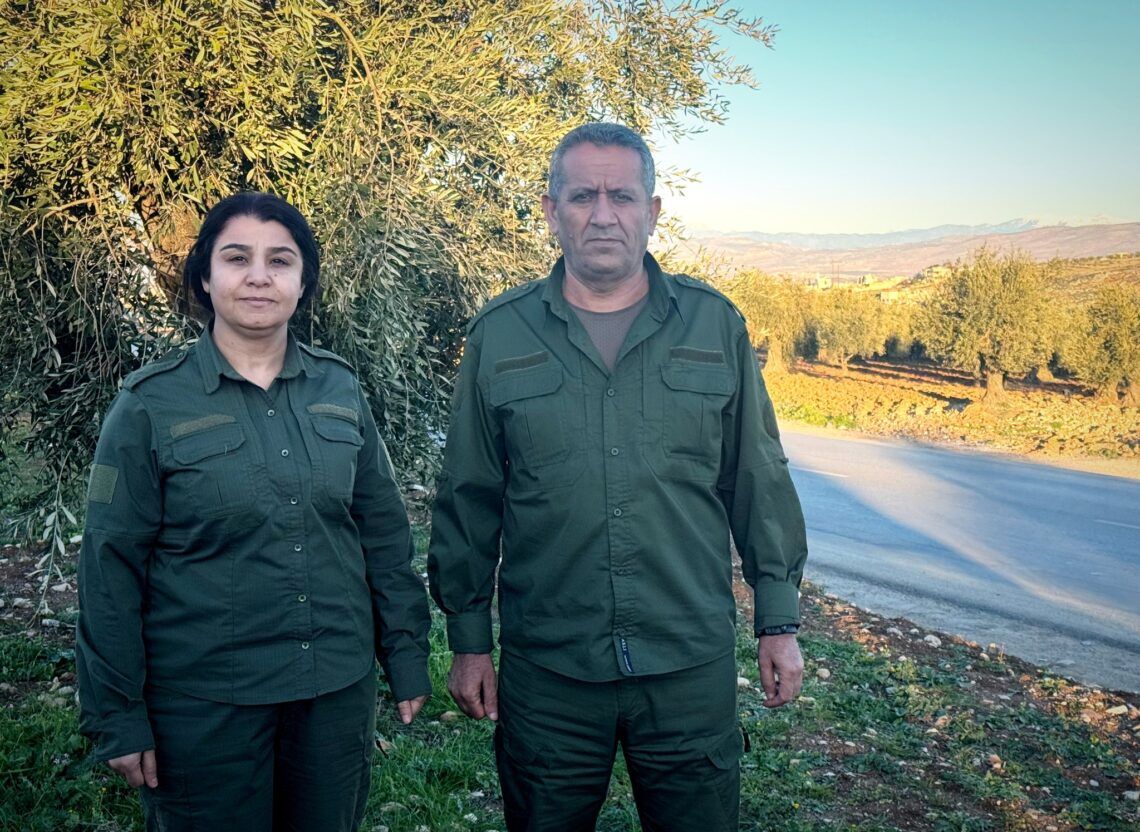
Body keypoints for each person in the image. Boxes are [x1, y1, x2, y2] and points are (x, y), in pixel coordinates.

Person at [428, 122, 809, 830]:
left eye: (622, 196)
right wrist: (470, 639)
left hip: (687, 663)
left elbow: (758, 478)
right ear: (551, 211)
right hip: (551, 670)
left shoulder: (714, 325)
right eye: (582, 196)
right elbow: (468, 495)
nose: (602, 215)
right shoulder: (500, 334)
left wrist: (778, 621)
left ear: (652, 211)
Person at [76, 192, 431, 832]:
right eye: (237, 258)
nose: (259, 276)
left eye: (280, 260)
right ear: (205, 279)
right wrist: (117, 712)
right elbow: (109, 567)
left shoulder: (340, 388)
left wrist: (405, 654)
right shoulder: (150, 404)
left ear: (304, 282)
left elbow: (383, 533)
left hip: (333, 694)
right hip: (204, 707)